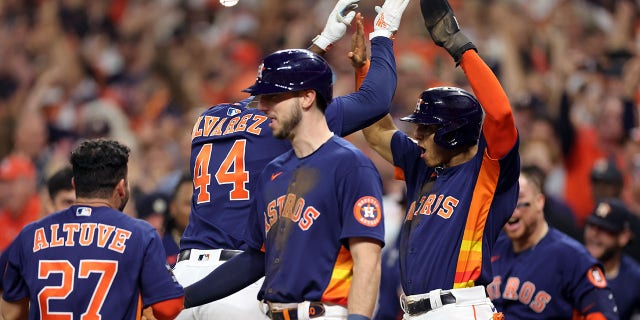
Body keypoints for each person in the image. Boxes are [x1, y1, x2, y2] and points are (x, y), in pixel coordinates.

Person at [181, 1, 411, 319]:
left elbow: (277, 92)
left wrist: (322, 41)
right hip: (241, 280)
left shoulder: (208, 119)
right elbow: (375, 98)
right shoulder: (282, 127)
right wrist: (383, 33)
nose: (267, 104)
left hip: (185, 275)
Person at [360, 0, 518, 318]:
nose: (417, 137)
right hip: (414, 310)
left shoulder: (488, 170)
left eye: (425, 129)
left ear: (452, 132)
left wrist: (459, 46)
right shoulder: (424, 164)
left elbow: (500, 114)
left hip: (461, 308)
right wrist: (366, 66)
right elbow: (377, 132)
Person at [1, 139, 184, 320]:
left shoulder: (30, 235)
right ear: (121, 187)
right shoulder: (141, 234)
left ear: (75, 184)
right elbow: (169, 307)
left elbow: (10, 314)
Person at [488, 170, 619, 319]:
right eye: (504, 203)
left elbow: (603, 314)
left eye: (519, 202)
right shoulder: (490, 249)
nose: (512, 211)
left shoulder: (573, 256)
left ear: (539, 202)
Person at [0, 165, 75, 317]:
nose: (74, 212)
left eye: (79, 204)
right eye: (67, 203)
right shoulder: (28, 241)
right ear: (49, 204)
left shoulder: (102, 243)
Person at [584, 199, 640, 320]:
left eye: (605, 229)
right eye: (591, 225)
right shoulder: (567, 263)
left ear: (624, 237)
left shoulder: (635, 279)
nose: (594, 234)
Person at [163, 172, 192, 267]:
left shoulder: (221, 245)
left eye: (200, 203)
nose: (195, 210)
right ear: (173, 208)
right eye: (188, 204)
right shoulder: (158, 250)